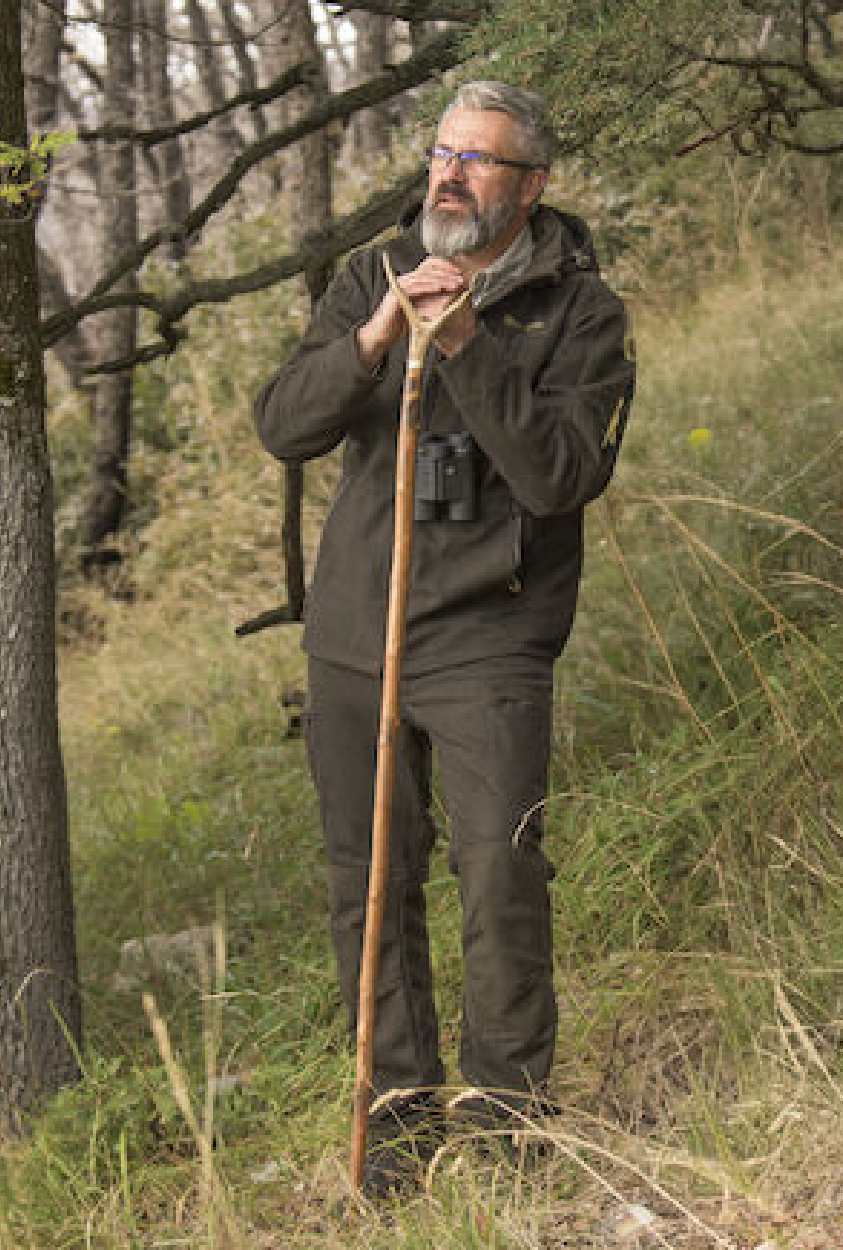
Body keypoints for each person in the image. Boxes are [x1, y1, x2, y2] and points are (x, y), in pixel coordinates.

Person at [254, 80, 635, 1196]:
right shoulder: (372, 276)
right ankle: (401, 1121)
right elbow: (282, 424)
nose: (449, 175)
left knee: (499, 870)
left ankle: (511, 1124)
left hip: (488, 635)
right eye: (441, 152)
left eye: (478, 161)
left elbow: (563, 473)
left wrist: (468, 342)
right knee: (367, 876)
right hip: (355, 634)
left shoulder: (580, 311)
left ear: (529, 186)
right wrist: (376, 335)